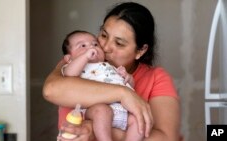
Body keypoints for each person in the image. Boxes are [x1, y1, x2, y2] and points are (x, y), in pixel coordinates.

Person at [43, 2, 181, 141]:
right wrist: (123, 94)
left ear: (141, 50)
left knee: (137, 122)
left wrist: (92, 129)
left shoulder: (156, 78)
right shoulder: (76, 62)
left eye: (119, 43)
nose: (106, 47)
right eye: (103, 35)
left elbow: (167, 138)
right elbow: (51, 90)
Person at [57, 30, 142, 141]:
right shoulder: (74, 67)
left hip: (122, 111)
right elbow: (70, 74)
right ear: (69, 58)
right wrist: (85, 57)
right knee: (103, 111)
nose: (92, 48)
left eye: (95, 44)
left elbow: (129, 88)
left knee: (139, 120)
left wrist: (128, 78)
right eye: (83, 46)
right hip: (95, 109)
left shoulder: (109, 66)